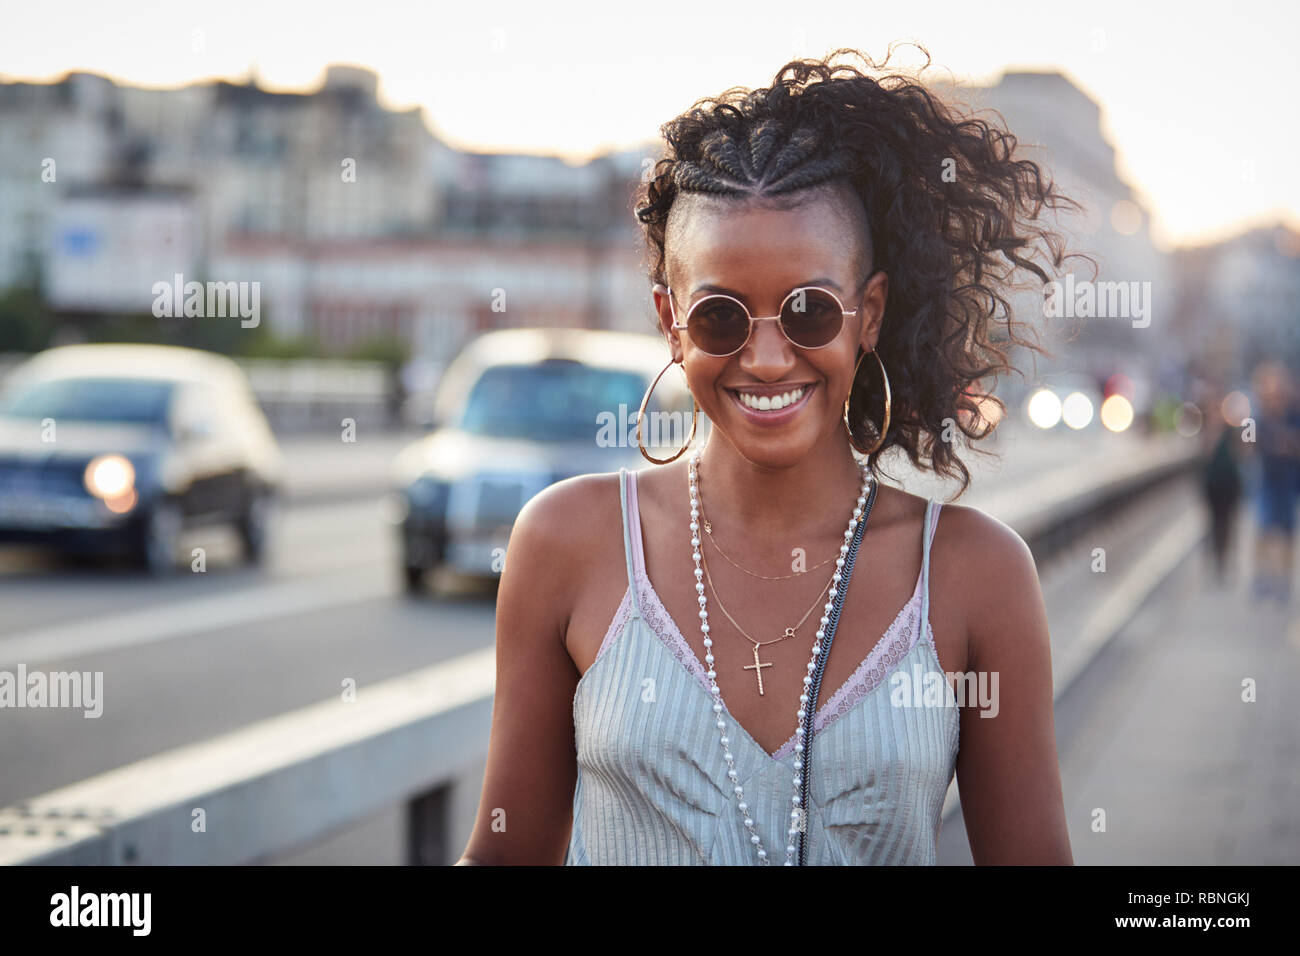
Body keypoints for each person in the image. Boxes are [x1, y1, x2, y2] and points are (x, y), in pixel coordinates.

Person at [458, 49, 1074, 865]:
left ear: (871, 313)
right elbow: (507, 853)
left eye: (810, 310)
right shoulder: (568, 543)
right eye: (720, 317)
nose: (770, 357)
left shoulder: (975, 576)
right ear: (670, 321)